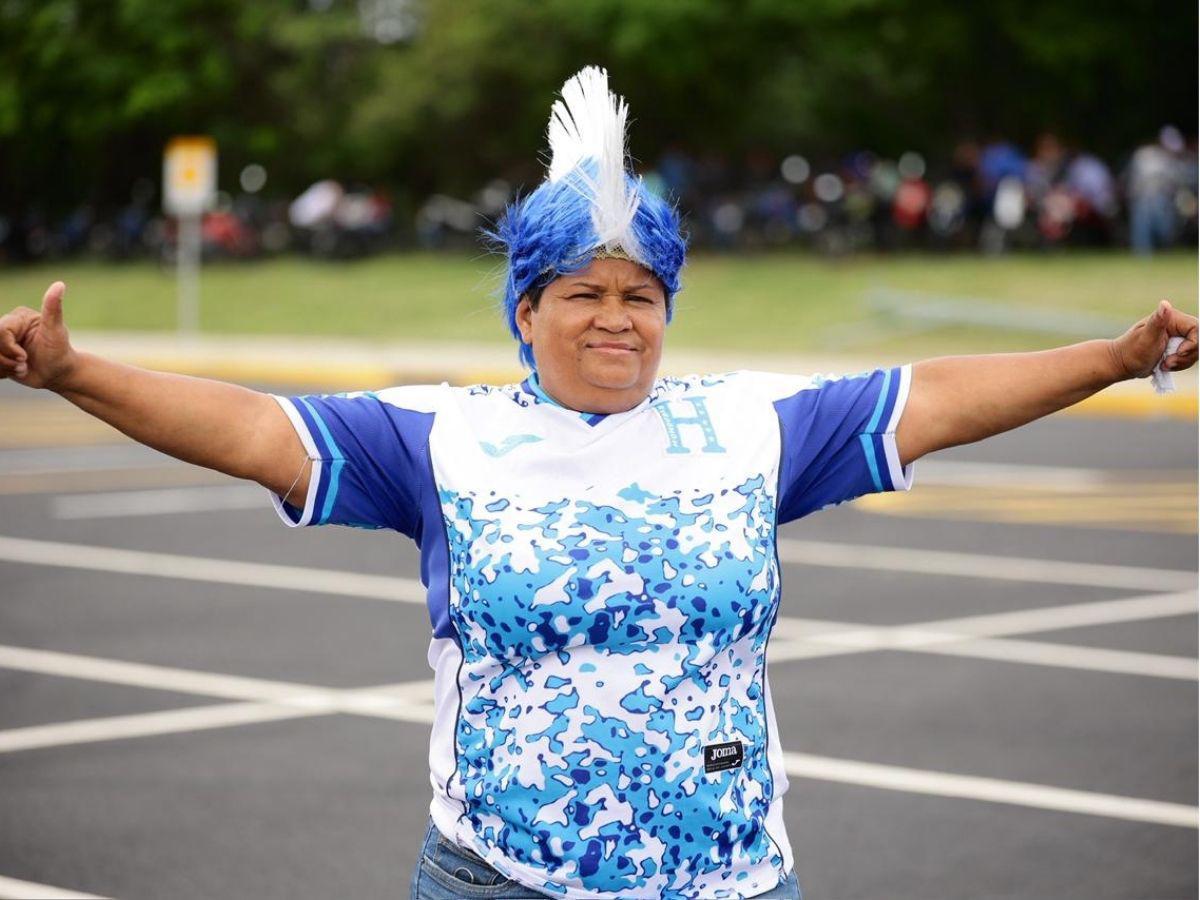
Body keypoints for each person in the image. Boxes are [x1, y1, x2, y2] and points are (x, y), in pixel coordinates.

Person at [1, 68, 1196, 900]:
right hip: (498, 879)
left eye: (642, 294)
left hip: (731, 876)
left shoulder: (748, 426)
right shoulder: (440, 436)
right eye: (584, 290)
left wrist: (1112, 359)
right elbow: (253, 430)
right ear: (528, 311)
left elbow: (934, 400)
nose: (617, 317)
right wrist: (75, 373)